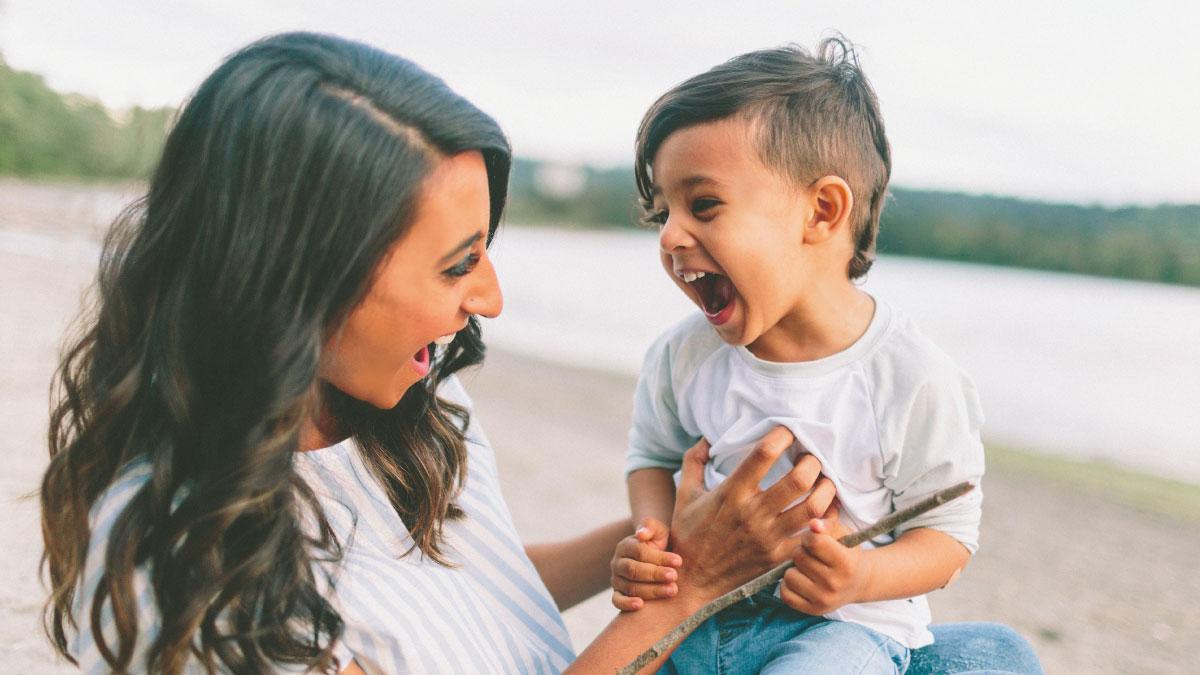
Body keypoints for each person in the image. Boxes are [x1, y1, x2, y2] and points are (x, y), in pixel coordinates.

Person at [39, 31, 1038, 674]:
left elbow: (464, 583)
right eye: (456, 264)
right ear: (294, 277)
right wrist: (686, 593)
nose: (492, 300)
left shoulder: (411, 416)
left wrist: (677, 541)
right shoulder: (189, 581)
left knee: (990, 655)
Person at [612, 39, 1043, 674]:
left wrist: (860, 574)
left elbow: (947, 536)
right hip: (697, 619)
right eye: (662, 214)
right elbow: (650, 458)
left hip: (839, 631)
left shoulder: (910, 376)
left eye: (703, 205)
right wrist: (653, 541)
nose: (672, 235)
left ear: (822, 210)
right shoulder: (684, 356)